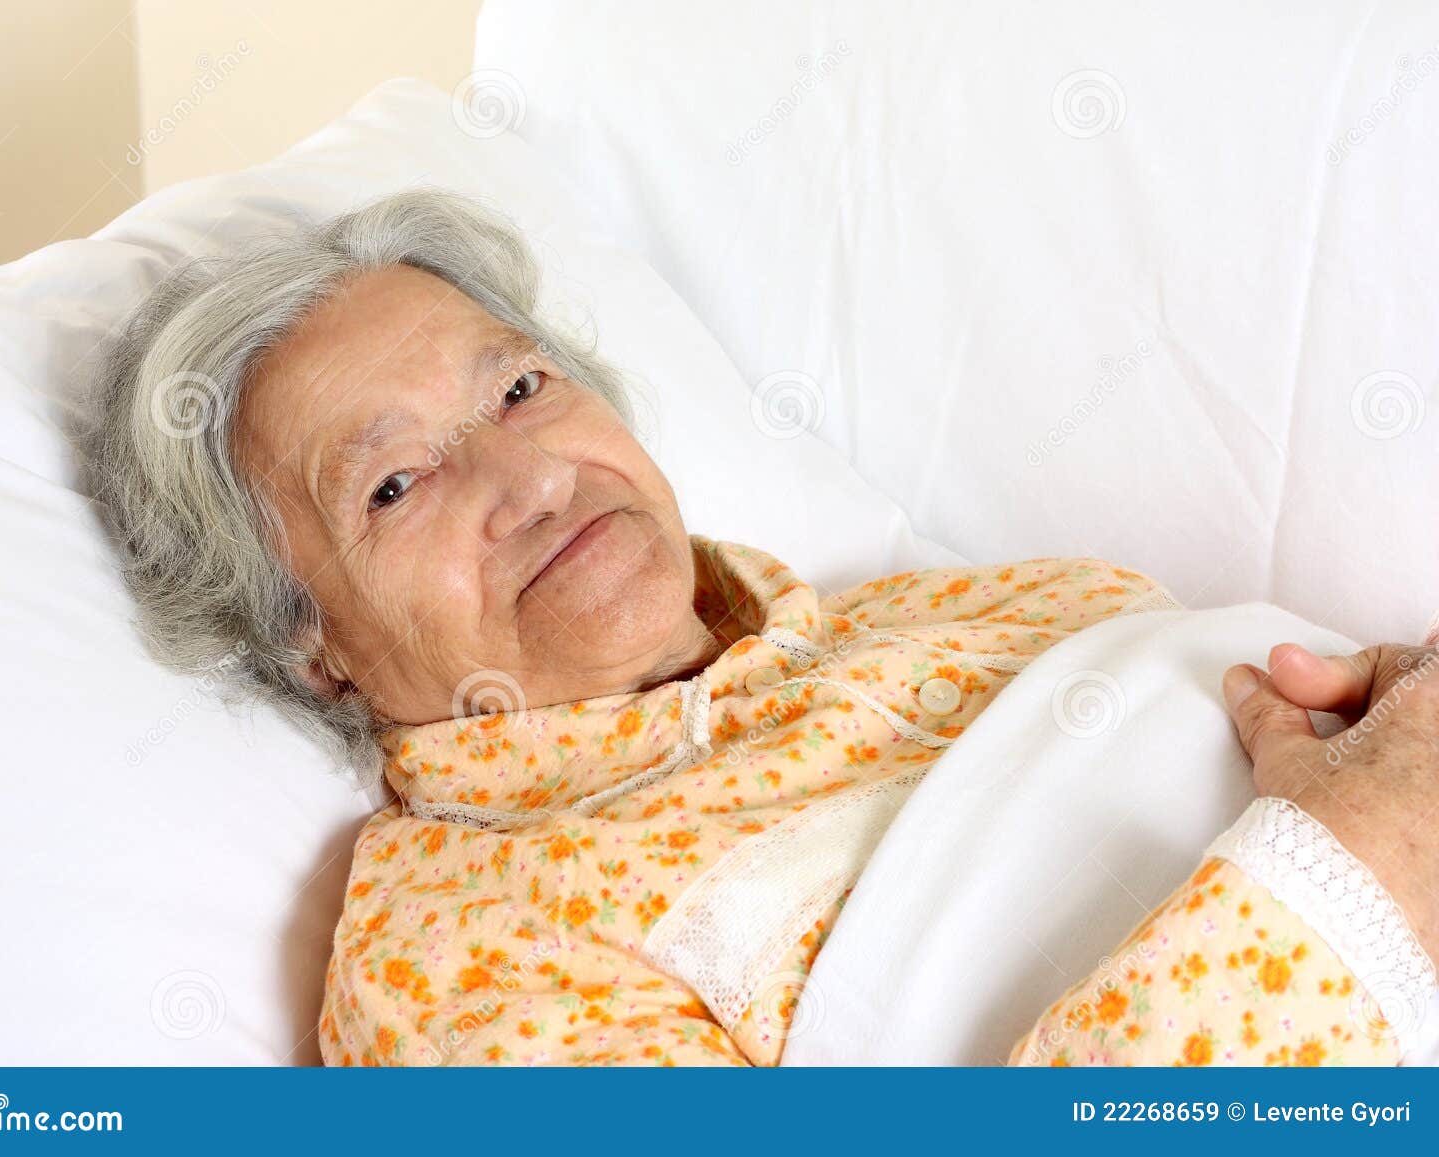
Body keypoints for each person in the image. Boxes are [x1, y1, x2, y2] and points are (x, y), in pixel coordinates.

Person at [87, 187, 1437, 1066]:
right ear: (309, 641)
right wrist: (1354, 872)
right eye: (396, 481)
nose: (528, 479)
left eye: (518, 387)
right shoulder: (458, 957)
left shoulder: (979, 603)